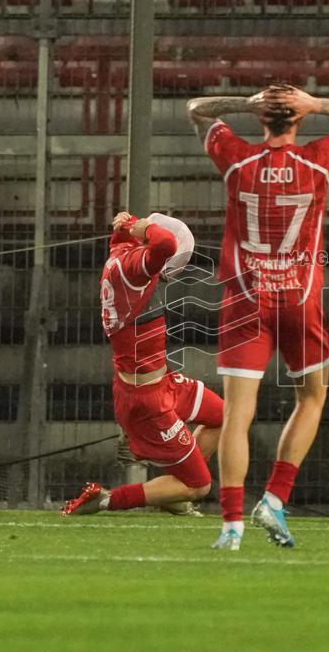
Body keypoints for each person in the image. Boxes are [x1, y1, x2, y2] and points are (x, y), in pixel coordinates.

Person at [187, 85, 329, 550]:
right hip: (299, 299)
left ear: (262, 119)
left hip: (244, 299)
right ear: (297, 118)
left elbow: (196, 109)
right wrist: (316, 104)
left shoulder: (234, 157)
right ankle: (274, 499)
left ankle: (231, 525)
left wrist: (245, 103)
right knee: (312, 397)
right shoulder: (319, 159)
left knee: (237, 413)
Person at [61, 212, 225, 516]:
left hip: (160, 382)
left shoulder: (120, 255)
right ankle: (109, 499)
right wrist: (147, 227)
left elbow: (123, 238)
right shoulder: (137, 269)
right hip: (147, 399)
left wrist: (126, 224)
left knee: (221, 416)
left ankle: (173, 489)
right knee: (200, 486)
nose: (168, 270)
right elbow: (164, 244)